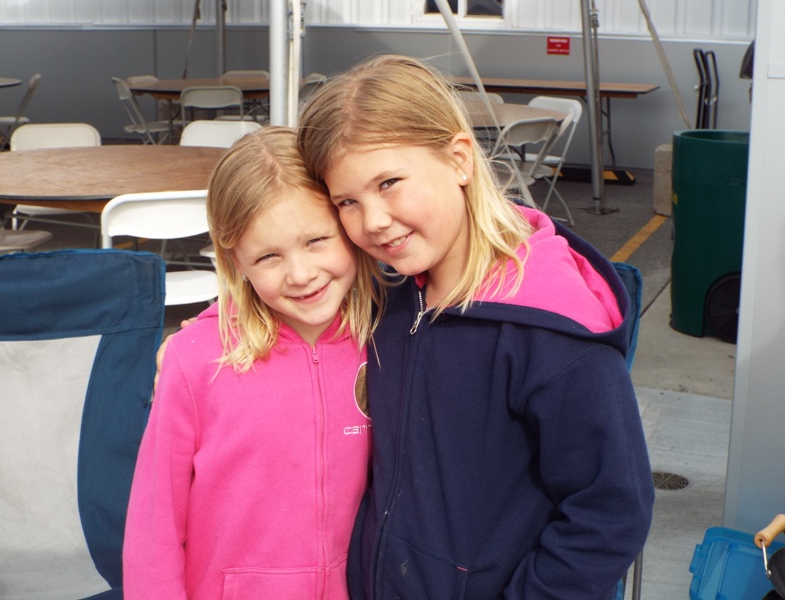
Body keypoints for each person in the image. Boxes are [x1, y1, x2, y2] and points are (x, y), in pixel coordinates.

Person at [296, 54, 655, 599]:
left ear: (460, 159)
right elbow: (275, 276)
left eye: (389, 183)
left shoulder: (551, 334)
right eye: (347, 201)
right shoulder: (387, 295)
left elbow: (611, 511)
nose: (373, 221)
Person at [123, 126, 386, 600]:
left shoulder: (390, 337)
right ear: (236, 262)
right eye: (268, 256)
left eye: (317, 240)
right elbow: (153, 526)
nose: (301, 274)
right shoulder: (196, 360)